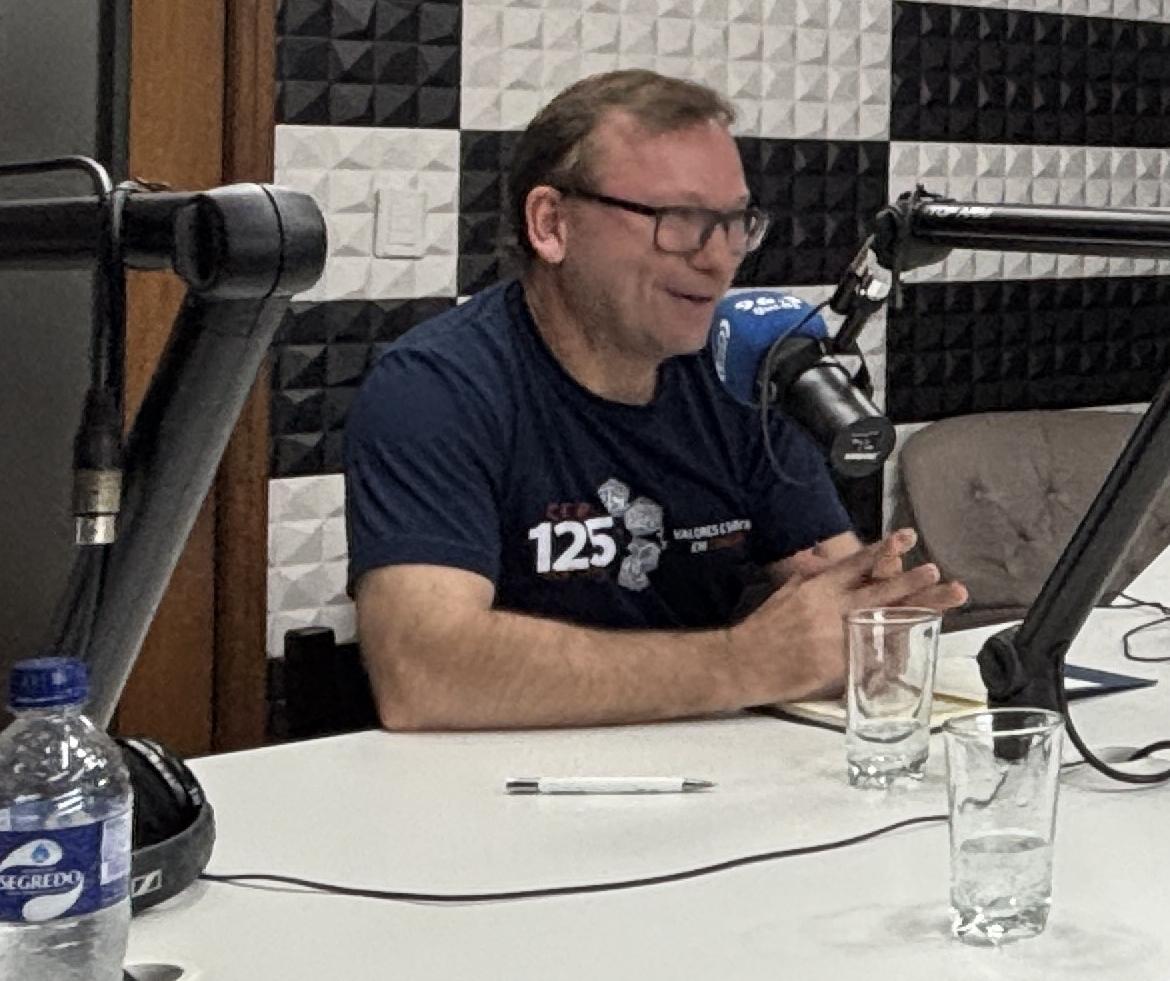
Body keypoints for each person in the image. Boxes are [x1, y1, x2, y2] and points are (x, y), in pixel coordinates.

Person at [347, 69, 961, 730]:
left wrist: (871, 620)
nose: (718, 258)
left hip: (707, 765)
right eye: (680, 219)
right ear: (551, 224)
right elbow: (423, 673)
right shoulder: (436, 388)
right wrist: (745, 662)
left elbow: (838, 587)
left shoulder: (742, 366)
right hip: (494, 778)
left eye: (734, 222)